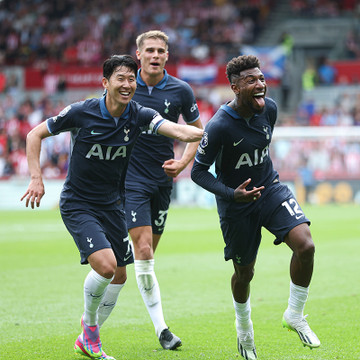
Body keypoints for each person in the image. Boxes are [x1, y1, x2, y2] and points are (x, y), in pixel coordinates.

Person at [20, 55, 203, 360]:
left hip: (112, 205)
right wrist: (36, 178)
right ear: (105, 83)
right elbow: (33, 134)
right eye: (120, 78)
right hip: (79, 204)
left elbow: (181, 131)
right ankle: (90, 332)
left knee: (119, 276)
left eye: (131, 79)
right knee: (105, 267)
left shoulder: (139, 114)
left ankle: (86, 337)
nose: (127, 84)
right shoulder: (82, 111)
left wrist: (216, 130)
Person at [191, 55, 320, 359]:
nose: (260, 84)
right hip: (236, 205)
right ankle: (244, 330)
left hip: (270, 190)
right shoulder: (219, 125)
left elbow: (260, 152)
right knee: (244, 273)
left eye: (261, 78)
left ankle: (295, 314)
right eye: (251, 80)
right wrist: (230, 194)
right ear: (235, 87)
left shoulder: (270, 110)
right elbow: (197, 172)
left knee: (306, 246)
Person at [96, 30, 203, 350]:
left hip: (162, 182)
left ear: (167, 56)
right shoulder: (125, 85)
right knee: (142, 252)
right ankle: (162, 330)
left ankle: (89, 328)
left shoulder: (181, 90)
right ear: (139, 55)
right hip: (129, 180)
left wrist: (183, 163)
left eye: (161, 50)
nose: (156, 55)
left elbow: (197, 132)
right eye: (150, 50)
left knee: (144, 256)